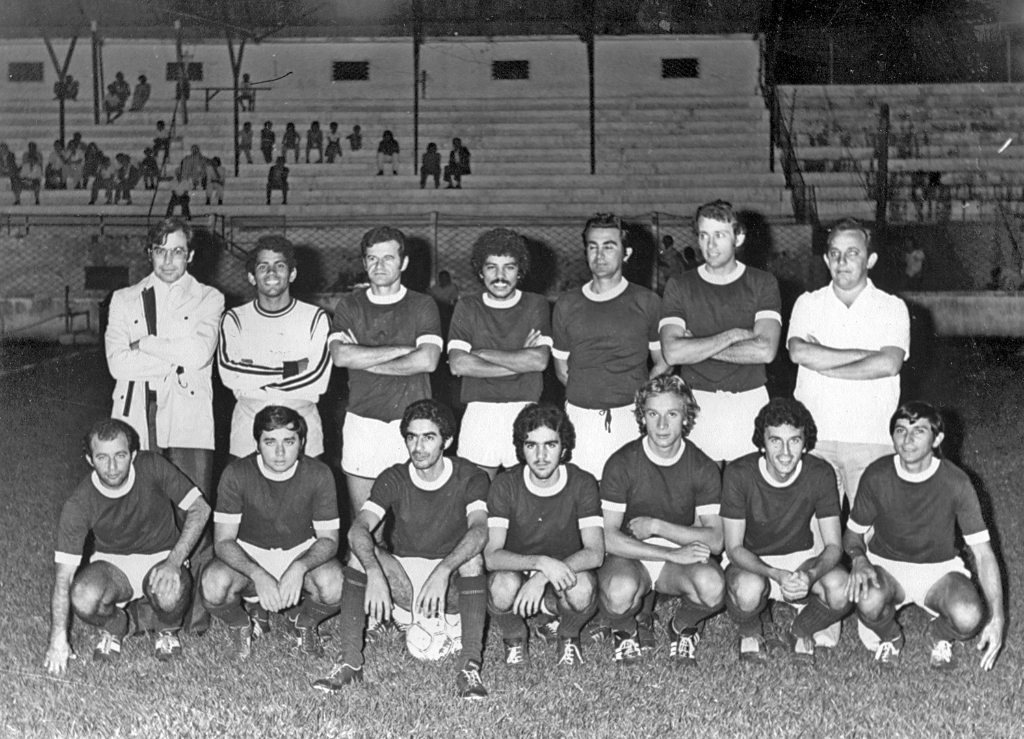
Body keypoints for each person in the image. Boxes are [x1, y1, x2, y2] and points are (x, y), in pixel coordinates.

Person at [313, 400, 490, 698]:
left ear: (447, 440)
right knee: (361, 550)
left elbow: (480, 529)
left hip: (450, 583)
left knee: (473, 557)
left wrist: (444, 570)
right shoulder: (395, 476)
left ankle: (468, 667)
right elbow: (359, 528)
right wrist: (373, 570)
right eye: (412, 437)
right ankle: (349, 662)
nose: (418, 447)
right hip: (407, 580)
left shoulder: (470, 476)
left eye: (428, 437)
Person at [844, 402, 1004, 671]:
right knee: (866, 598)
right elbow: (852, 535)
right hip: (887, 565)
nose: (907, 440)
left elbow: (983, 554)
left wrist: (997, 616)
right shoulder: (877, 474)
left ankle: (938, 635)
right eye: (900, 430)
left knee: (969, 616)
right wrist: (859, 559)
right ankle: (890, 637)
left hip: (938, 569)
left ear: (937, 438)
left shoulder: (956, 481)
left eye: (918, 431)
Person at [44, 419, 211, 674]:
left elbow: (201, 508)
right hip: (113, 564)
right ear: (90, 460)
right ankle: (114, 625)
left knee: (170, 593)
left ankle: (166, 630)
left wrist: (174, 560)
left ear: (133, 455)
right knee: (82, 595)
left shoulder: (152, 466)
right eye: (102, 457)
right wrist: (58, 639)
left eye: (120, 456)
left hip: (161, 555)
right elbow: (63, 577)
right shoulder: (79, 503)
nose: (112, 467)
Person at [597, 375, 725, 665]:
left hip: (675, 565)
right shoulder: (622, 462)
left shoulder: (702, 466)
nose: (663, 425)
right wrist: (668, 551)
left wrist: (657, 527)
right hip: (631, 558)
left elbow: (716, 540)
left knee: (714, 586)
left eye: (672, 414)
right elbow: (608, 536)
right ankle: (626, 628)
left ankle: (682, 625)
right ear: (642, 416)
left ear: (686, 417)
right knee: (619, 593)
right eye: (653, 414)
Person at [201, 406, 343, 659]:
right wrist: (258, 574)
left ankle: (306, 623)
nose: (279, 452)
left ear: (302, 443)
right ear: (257, 444)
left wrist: (299, 568)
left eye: (289, 441)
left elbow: (329, 540)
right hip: (251, 551)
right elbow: (223, 541)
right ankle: (240, 625)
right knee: (213, 584)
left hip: (300, 549)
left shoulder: (319, 474)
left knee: (336, 584)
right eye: (270, 442)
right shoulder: (236, 473)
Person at [788, 219, 909, 509]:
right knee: (813, 542)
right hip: (813, 440)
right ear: (827, 258)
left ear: (871, 259)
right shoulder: (807, 303)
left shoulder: (892, 307)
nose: (841, 261)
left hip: (871, 439)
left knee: (870, 541)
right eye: (834, 253)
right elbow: (798, 353)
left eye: (852, 253)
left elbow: (889, 364)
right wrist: (866, 354)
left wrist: (824, 364)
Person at [721, 398, 851, 663]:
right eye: (775, 440)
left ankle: (800, 629)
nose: (785, 451)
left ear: (805, 444)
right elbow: (734, 548)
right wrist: (773, 574)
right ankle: (751, 629)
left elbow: (834, 546)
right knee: (747, 589)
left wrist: (810, 573)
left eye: (794, 440)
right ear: (762, 443)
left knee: (841, 588)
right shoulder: (739, 473)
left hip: (800, 557)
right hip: (753, 560)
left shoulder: (820, 473)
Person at [105, 217, 224, 498]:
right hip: (138, 406)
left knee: (193, 501)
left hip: (188, 407)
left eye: (177, 251)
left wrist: (145, 343)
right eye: (160, 250)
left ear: (190, 256)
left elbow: (198, 355)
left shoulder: (209, 297)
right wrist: (177, 355)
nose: (168, 260)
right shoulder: (124, 299)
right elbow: (117, 364)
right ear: (150, 254)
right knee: (142, 498)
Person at [328, 226, 442, 517]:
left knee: (414, 523)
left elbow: (427, 360)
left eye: (388, 258)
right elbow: (341, 356)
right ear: (364, 263)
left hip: (412, 427)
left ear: (403, 263)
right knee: (366, 525)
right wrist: (404, 349)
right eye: (372, 259)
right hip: (362, 424)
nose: (379, 266)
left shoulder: (422, 304)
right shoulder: (350, 305)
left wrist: (364, 357)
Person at [659, 200, 782, 465]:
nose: (710, 245)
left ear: (738, 238)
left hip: (749, 399)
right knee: (704, 498)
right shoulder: (679, 285)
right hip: (698, 402)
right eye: (703, 236)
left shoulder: (762, 283)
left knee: (748, 497)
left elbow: (765, 350)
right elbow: (672, 352)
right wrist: (733, 335)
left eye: (719, 236)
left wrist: (697, 348)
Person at [485, 404, 604, 667]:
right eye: (531, 445)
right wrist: (539, 563)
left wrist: (542, 576)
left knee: (582, 588)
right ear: (521, 448)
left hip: (563, 571)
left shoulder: (582, 483)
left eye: (550, 445)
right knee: (501, 588)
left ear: (564, 448)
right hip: (518, 571)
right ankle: (514, 636)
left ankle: (568, 633)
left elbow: (595, 553)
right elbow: (492, 556)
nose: (540, 455)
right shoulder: (506, 484)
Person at [552, 213, 667, 480]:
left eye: (609, 246)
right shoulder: (567, 303)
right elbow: (562, 369)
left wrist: (638, 388)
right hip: (580, 420)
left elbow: (664, 360)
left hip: (630, 417)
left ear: (626, 253)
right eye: (592, 246)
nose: (599, 255)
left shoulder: (647, 302)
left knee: (629, 499)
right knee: (584, 503)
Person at [448, 228, 551, 479]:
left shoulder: (536, 304)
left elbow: (538, 360)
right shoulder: (468, 306)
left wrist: (481, 352)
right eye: (492, 267)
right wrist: (519, 360)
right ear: (480, 271)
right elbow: (459, 365)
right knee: (477, 500)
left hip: (524, 410)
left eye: (509, 267)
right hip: (479, 412)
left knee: (525, 501)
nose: (500, 276)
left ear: (520, 270)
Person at [218, 235, 332, 459]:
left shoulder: (315, 317)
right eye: (263, 267)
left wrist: (254, 374)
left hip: (302, 425)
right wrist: (292, 368)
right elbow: (231, 375)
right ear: (252, 277)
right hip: (248, 428)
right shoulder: (235, 318)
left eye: (279, 266)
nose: (271, 273)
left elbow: (318, 378)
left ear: (292, 274)